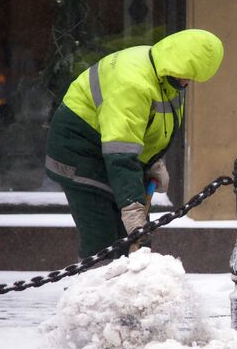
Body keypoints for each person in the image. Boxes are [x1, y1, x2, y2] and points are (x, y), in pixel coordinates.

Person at [45, 29, 224, 260]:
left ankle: (128, 286)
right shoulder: (132, 81)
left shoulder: (171, 80)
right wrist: (131, 207)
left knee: (134, 238)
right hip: (79, 151)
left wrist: (152, 162)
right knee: (103, 237)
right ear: (175, 62)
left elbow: (144, 129)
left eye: (192, 78)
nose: (187, 82)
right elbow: (120, 152)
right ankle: (94, 291)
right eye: (186, 75)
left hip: (114, 151)